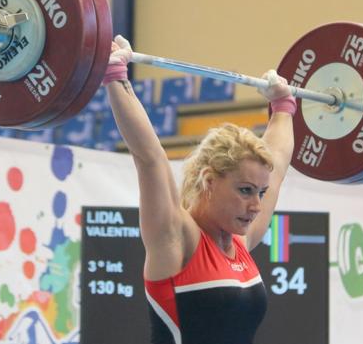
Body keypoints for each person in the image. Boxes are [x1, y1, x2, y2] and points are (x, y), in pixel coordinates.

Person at [102, 35, 296, 344]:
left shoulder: (241, 239)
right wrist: (115, 76)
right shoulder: (177, 237)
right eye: (245, 190)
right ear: (209, 180)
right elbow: (150, 159)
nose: (256, 205)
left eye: (260, 192)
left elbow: (280, 163)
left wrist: (283, 104)